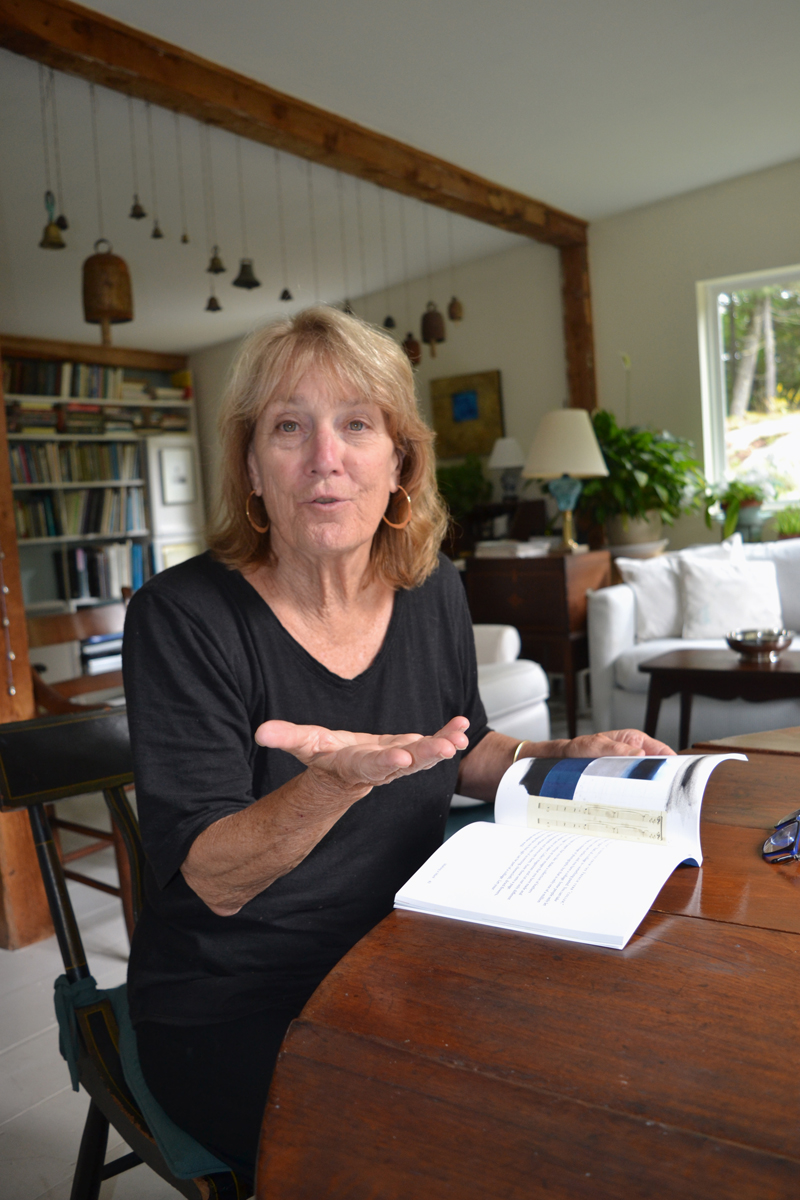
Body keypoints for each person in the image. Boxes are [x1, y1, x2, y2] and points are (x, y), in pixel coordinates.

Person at [123, 305, 672, 1184]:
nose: (324, 459)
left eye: (356, 424)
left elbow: (458, 745)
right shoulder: (183, 617)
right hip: (234, 1002)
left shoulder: (430, 590)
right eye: (288, 427)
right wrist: (333, 785)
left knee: (592, 1087)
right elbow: (212, 879)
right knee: (434, 1160)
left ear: (400, 461)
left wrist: (566, 751)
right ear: (252, 469)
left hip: (406, 955)